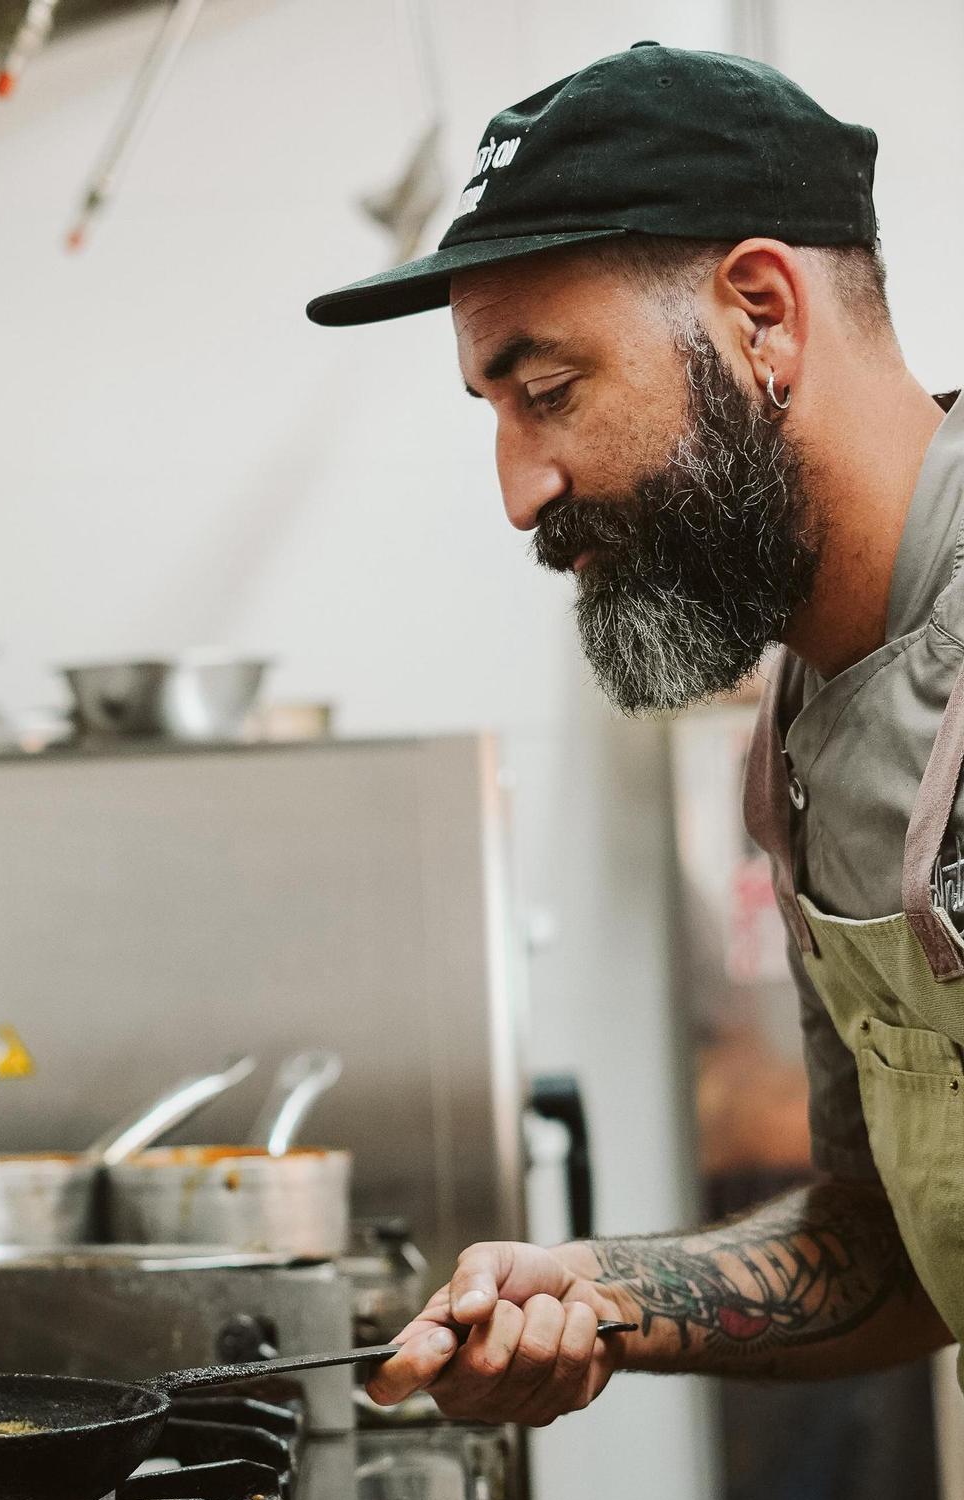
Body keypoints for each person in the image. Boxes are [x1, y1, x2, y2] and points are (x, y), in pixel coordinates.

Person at [307, 42, 964, 1426]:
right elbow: (888, 1247)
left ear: (761, 316)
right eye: (495, 413)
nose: (519, 490)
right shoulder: (804, 731)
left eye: (546, 390)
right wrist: (601, 1294)